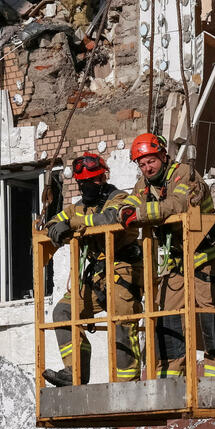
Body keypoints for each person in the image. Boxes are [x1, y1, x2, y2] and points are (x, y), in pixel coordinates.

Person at [117, 133, 215, 379]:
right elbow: (129, 204)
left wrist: (139, 214)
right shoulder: (144, 185)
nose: (147, 168)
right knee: (167, 313)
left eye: (151, 161)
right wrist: (122, 210)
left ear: (164, 156)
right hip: (178, 259)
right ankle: (170, 374)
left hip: (207, 255)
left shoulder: (185, 173)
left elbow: (178, 204)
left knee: (210, 312)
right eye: (142, 164)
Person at [42, 152, 144, 387]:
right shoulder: (78, 207)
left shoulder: (120, 198)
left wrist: (71, 225)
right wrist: (57, 227)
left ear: (104, 178)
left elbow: (110, 219)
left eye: (95, 180)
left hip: (123, 270)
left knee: (122, 320)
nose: (90, 185)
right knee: (63, 312)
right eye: (85, 182)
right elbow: (52, 222)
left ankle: (127, 383)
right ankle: (75, 372)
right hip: (97, 275)